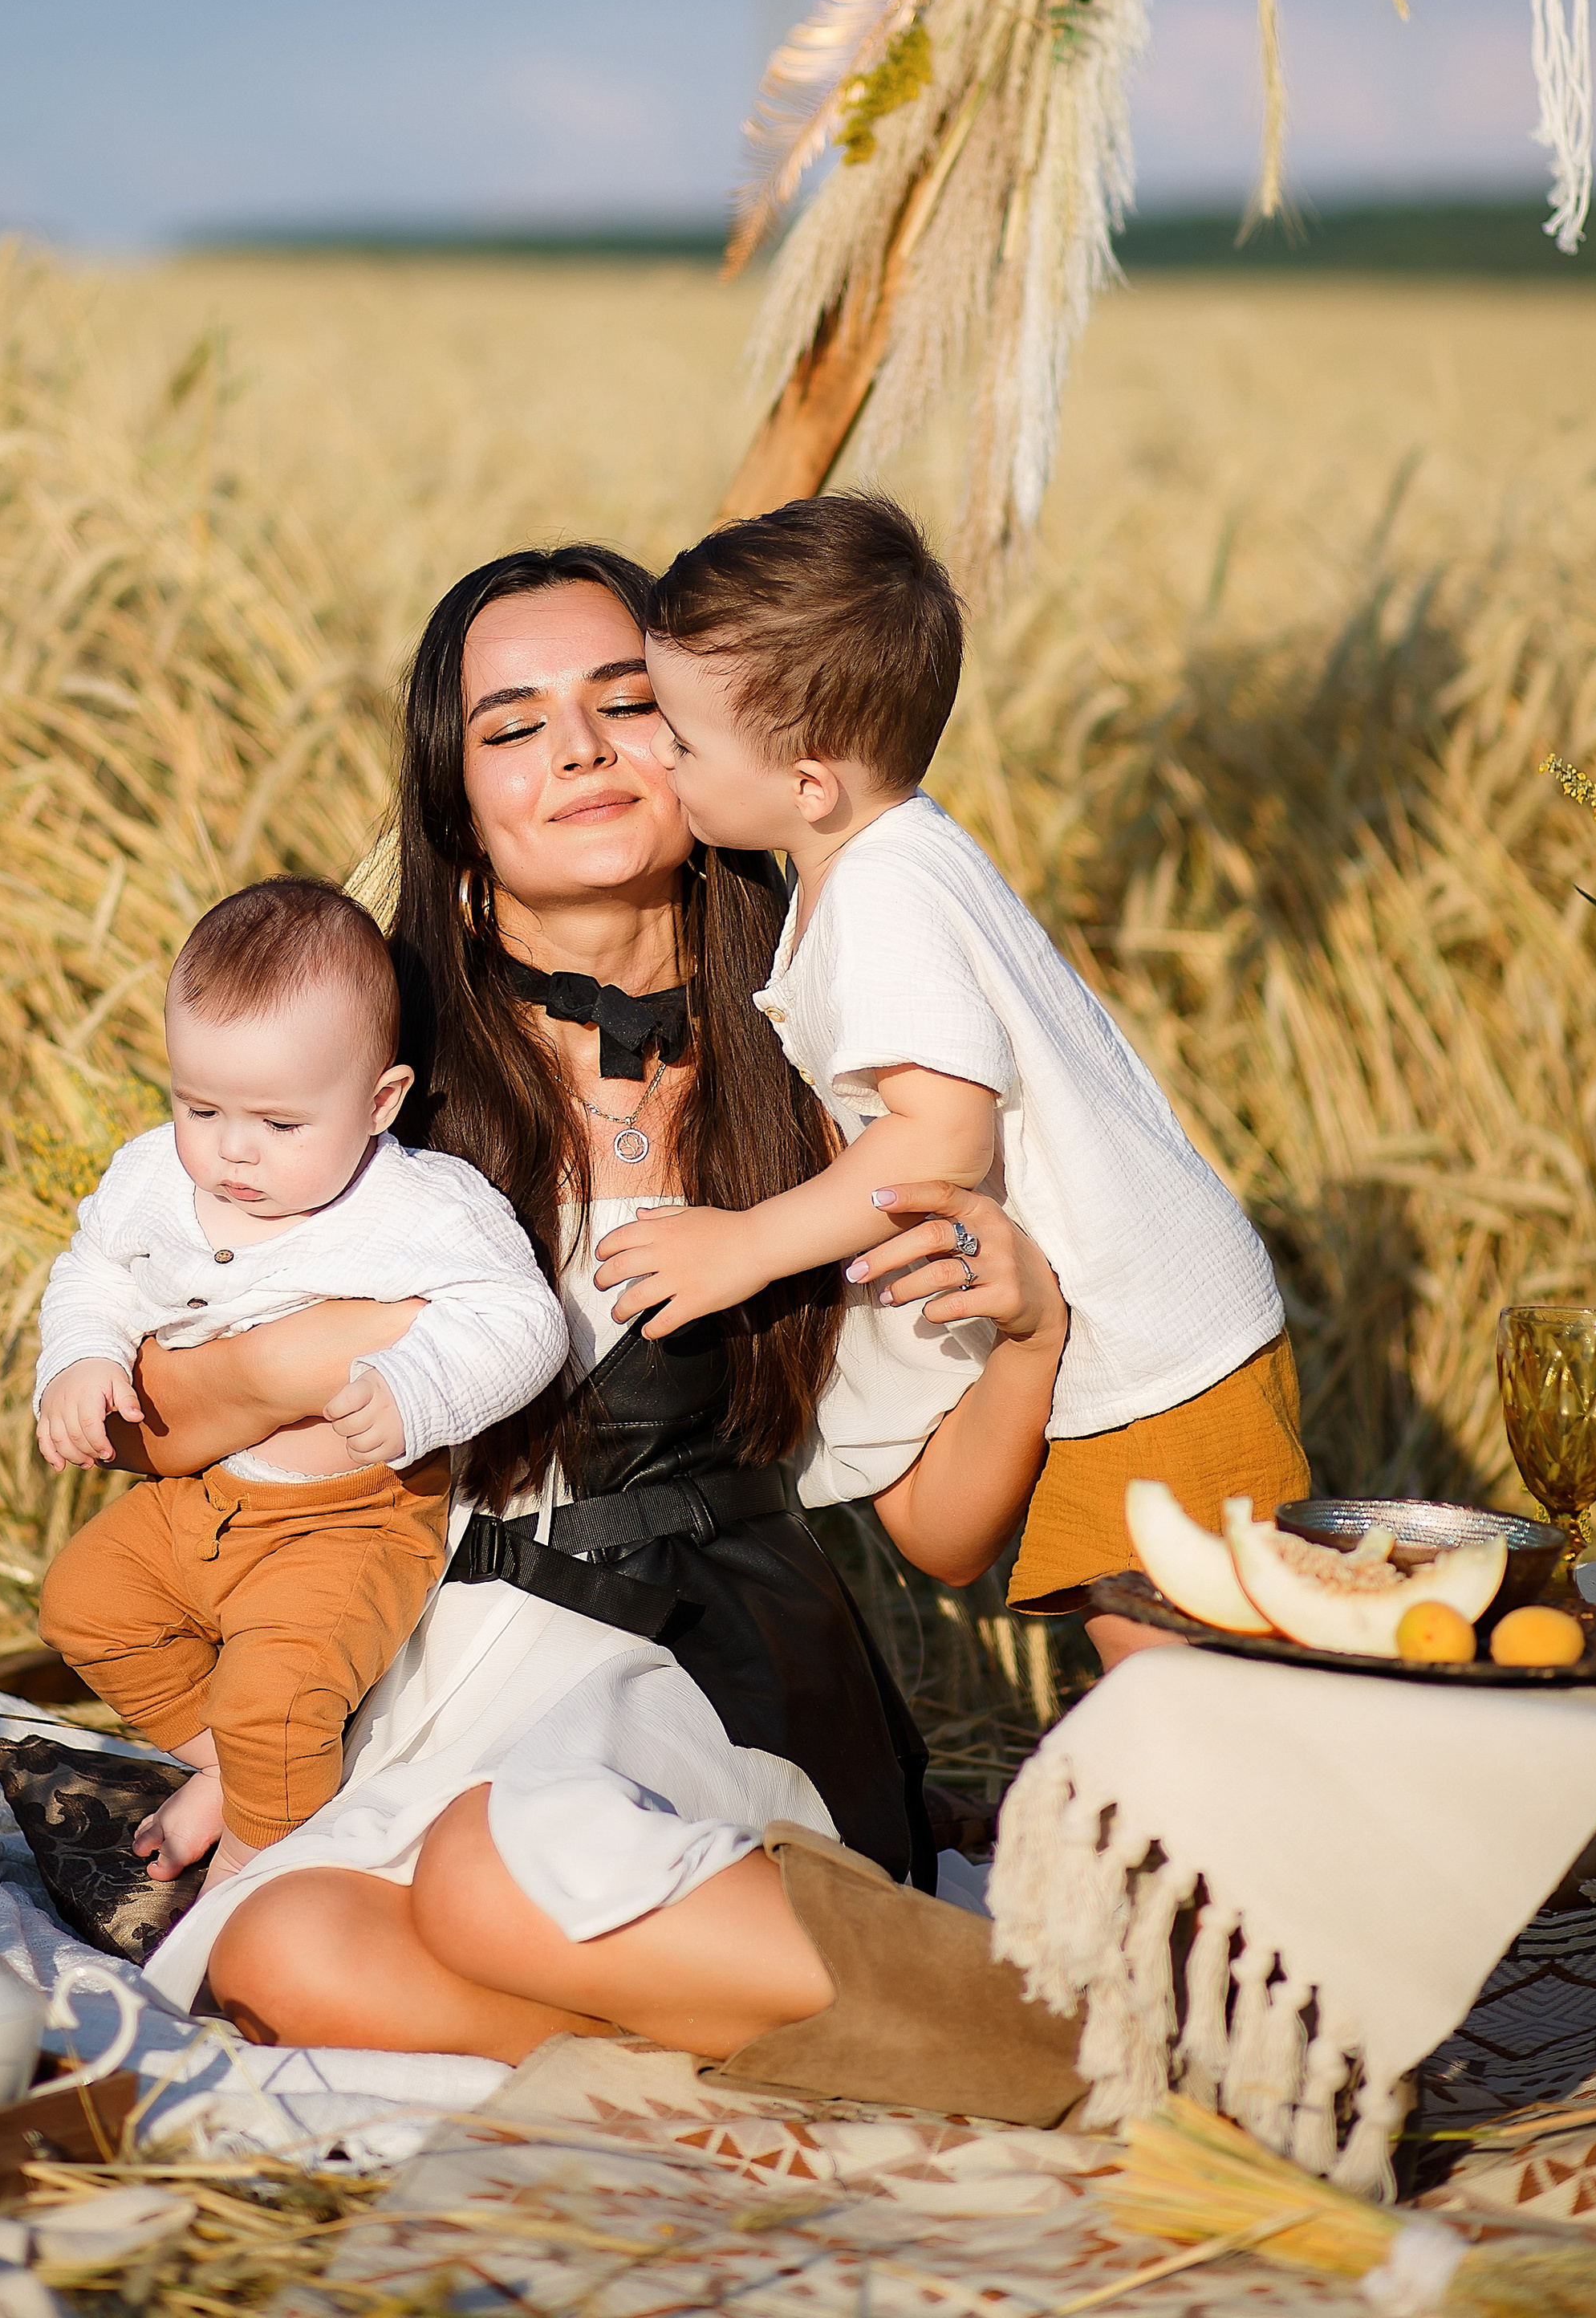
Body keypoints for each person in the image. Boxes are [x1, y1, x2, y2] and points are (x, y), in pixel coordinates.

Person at [114, 547, 1079, 2107]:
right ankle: (865, 2063)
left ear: (711, 739)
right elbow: (154, 1415)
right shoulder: (371, 1072)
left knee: (501, 1875)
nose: (575, 748)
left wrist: (1029, 1337)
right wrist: (319, 1352)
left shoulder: (831, 1075)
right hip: (450, 1662)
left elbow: (943, 1533)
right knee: (283, 1950)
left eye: (624, 703)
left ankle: (1095, 2058)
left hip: (712, 1663)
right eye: (510, 726)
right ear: (450, 799)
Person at [600, 491, 1306, 1663]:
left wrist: (746, 1244)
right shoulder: (893, 849)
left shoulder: (879, 900)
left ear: (808, 784)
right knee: (1179, 1691)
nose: (659, 759)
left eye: (681, 738)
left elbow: (940, 1140)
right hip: (1153, 1335)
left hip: (1149, 1356)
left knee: (1188, 1698)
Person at [35, 876, 567, 1883]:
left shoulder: (419, 1207)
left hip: (350, 1519)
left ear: (380, 1103)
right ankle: (242, 1773)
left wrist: (419, 1390)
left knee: (276, 1694)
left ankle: (253, 1873)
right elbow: (93, 1270)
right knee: (85, 1600)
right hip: (202, 1498)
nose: (232, 1150)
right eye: (200, 1105)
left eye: (280, 1125)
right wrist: (81, 1358)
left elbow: (521, 1318)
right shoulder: (155, 1177)